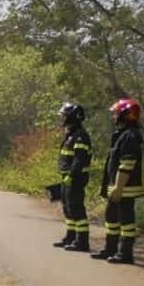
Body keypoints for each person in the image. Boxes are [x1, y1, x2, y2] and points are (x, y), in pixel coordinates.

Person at [90, 97, 144, 264]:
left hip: (125, 188)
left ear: (126, 114)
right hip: (119, 187)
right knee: (111, 217)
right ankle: (111, 249)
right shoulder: (123, 134)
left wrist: (118, 187)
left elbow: (127, 165)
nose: (114, 116)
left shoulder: (130, 136)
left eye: (116, 113)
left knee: (126, 221)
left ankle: (125, 254)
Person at [52, 102, 92, 251]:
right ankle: (70, 237)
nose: (61, 118)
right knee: (67, 208)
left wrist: (71, 175)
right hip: (67, 178)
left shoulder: (80, 136)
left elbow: (79, 160)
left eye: (64, 116)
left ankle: (82, 242)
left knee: (76, 209)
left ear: (72, 118)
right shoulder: (71, 134)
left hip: (76, 178)